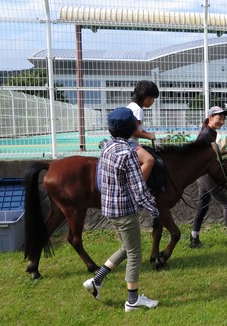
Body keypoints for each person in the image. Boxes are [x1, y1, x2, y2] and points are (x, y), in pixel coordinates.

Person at [83, 107, 160, 312]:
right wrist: (154, 209)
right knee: (135, 253)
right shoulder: (128, 153)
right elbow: (138, 188)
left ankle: (96, 281)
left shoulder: (107, 146)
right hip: (125, 211)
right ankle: (132, 301)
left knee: (127, 248)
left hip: (109, 209)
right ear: (131, 129)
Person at [189, 106, 227, 249]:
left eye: (224, 119)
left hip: (203, 175)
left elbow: (218, 158)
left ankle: (194, 239)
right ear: (210, 118)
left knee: (202, 207)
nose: (222, 121)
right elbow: (197, 157)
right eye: (219, 118)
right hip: (206, 176)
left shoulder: (211, 133)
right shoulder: (206, 135)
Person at [127, 80, 160, 182]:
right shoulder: (138, 110)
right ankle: (138, 187)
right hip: (130, 143)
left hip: (127, 141)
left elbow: (138, 129)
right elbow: (133, 132)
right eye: (153, 98)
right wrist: (149, 137)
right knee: (149, 160)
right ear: (146, 97)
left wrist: (147, 133)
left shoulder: (131, 106)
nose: (153, 101)